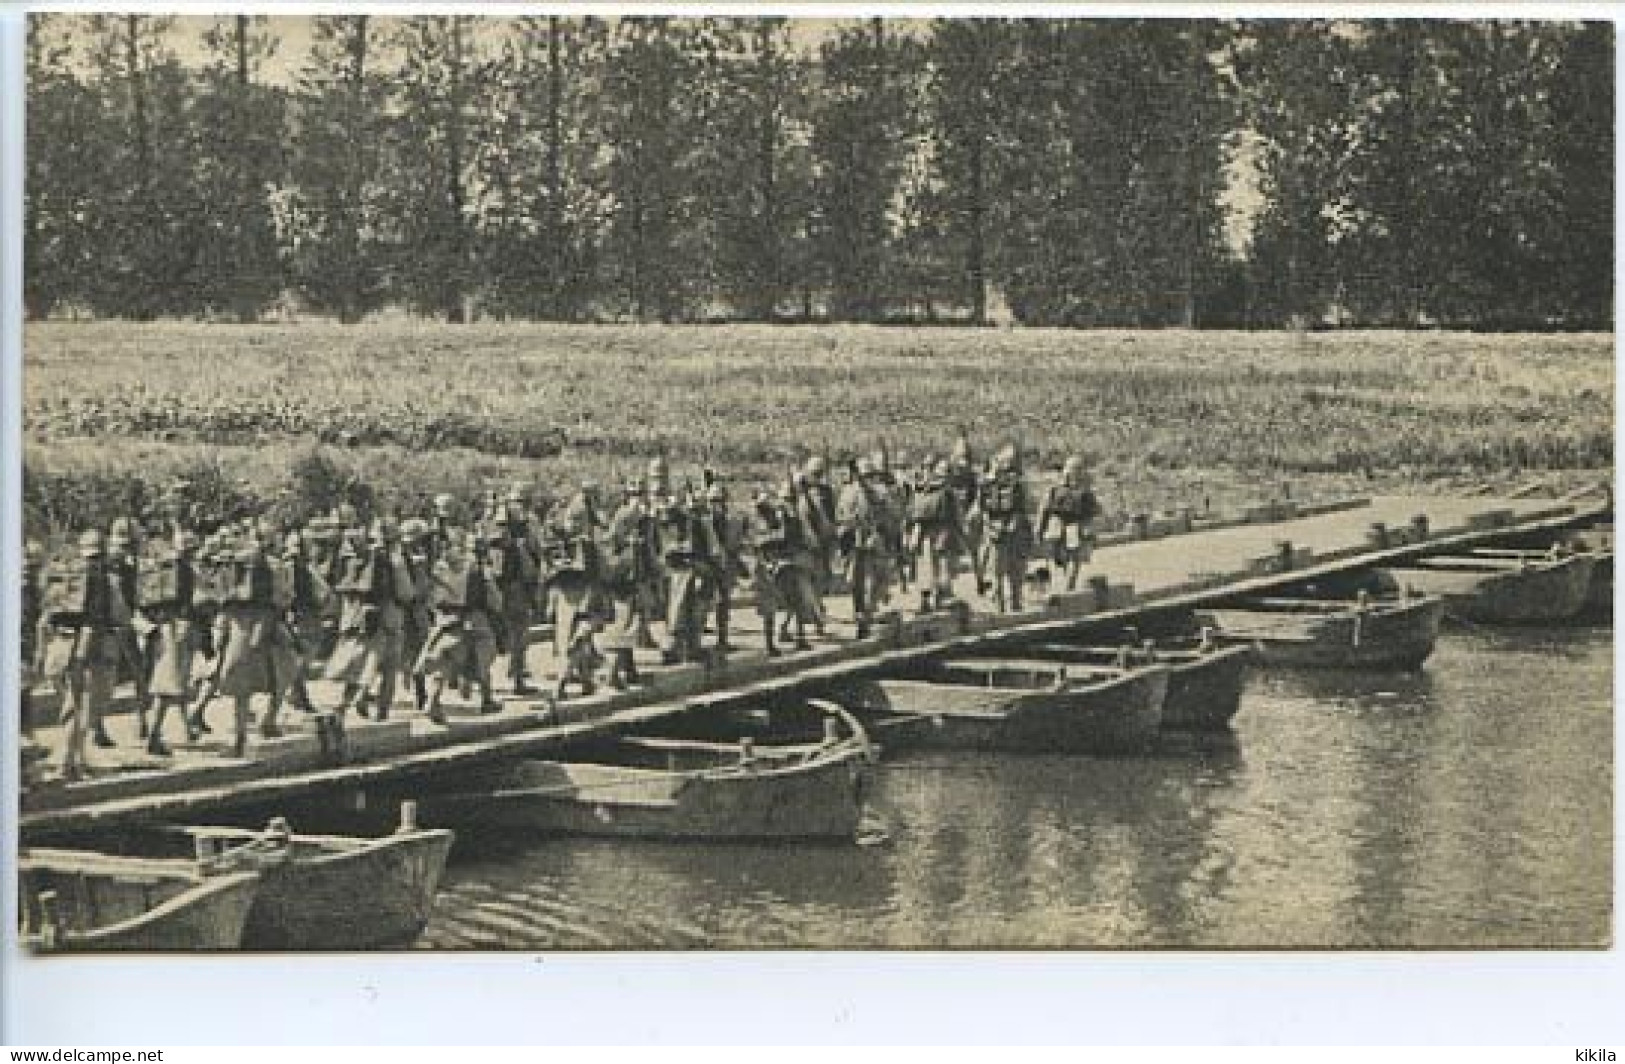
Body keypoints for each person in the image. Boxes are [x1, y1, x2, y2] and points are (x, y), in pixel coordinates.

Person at [199, 532, 297, 758]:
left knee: (239, 689)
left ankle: (239, 738)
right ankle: (268, 720)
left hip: (235, 629)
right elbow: (284, 598)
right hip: (265, 627)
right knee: (285, 671)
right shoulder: (275, 566)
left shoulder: (229, 566)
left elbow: (218, 601)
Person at [39, 530, 125, 779]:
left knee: (71, 706)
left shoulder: (66, 578)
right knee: (83, 706)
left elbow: (46, 617)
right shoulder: (107, 581)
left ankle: (71, 761)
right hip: (90, 646)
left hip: (61, 644)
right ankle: (71, 763)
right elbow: (116, 616)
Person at [415, 526, 503, 722]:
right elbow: (495, 601)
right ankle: (487, 700)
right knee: (483, 657)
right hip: (475, 619)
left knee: (444, 662)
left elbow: (431, 595)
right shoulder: (481, 570)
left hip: (446, 619)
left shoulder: (443, 567)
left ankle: (433, 702)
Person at [325, 520, 405, 721]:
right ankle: (380, 711)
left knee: (356, 662)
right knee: (387, 667)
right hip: (386, 618)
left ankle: (343, 705)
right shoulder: (393, 560)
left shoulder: (349, 560)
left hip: (354, 618)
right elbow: (406, 592)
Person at [139, 528, 202, 756]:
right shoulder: (184, 571)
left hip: (159, 627)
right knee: (168, 686)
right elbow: (197, 601)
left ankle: (187, 728)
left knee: (174, 681)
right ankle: (154, 736)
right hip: (180, 628)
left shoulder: (160, 568)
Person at [544, 486, 603, 700]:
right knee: (577, 641)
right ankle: (560, 684)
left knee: (577, 640)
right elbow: (596, 573)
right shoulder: (585, 546)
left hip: (565, 599)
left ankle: (587, 680)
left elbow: (550, 575)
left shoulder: (557, 545)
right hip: (582, 598)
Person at [599, 478, 652, 690]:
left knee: (631, 622)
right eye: (634, 494)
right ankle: (612, 674)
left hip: (632, 578)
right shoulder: (624, 516)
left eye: (640, 494)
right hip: (622, 579)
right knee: (624, 625)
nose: (638, 499)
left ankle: (629, 670)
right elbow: (611, 543)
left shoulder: (640, 518)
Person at [837, 456, 893, 639]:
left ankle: (864, 617)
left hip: (868, 543)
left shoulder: (876, 493)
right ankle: (863, 618)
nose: (867, 479)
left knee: (870, 582)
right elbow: (842, 519)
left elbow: (887, 516)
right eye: (865, 475)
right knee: (861, 584)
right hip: (859, 544)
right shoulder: (851, 494)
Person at [494, 488, 542, 695]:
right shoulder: (523, 526)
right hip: (517, 587)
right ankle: (517, 680)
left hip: (499, 587)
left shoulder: (495, 523)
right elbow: (534, 553)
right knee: (519, 634)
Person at [105, 518, 148, 746]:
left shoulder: (109, 555)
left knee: (108, 678)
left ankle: (98, 727)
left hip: (110, 624)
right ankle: (141, 720)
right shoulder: (122, 558)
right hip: (123, 624)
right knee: (139, 673)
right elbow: (122, 593)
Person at [656, 481, 709, 664]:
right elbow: (669, 548)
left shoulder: (693, 523)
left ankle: (688, 648)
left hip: (688, 570)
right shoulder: (670, 524)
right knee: (677, 613)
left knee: (691, 612)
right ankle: (673, 649)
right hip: (678, 571)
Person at [981, 444, 1035, 613]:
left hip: (1015, 529)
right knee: (998, 569)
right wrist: (988, 526)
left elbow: (1025, 506)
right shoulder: (986, 483)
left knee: (1015, 569)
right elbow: (982, 508)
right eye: (1003, 460)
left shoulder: (1018, 483)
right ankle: (1001, 605)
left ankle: (1015, 603)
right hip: (996, 530)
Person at [1036, 456, 1101, 592]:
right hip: (1059, 524)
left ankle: (1069, 585)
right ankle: (1065, 583)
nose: (1075, 473)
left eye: (1078, 469)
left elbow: (1093, 512)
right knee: (1062, 558)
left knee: (1073, 557)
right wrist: (1040, 530)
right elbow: (1045, 509)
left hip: (1074, 526)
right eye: (1073, 469)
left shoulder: (1085, 492)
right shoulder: (1056, 489)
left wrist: (1091, 532)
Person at [909, 458, 966, 612]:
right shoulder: (946, 492)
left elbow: (914, 514)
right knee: (942, 566)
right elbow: (957, 516)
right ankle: (939, 598)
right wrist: (961, 535)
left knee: (927, 566)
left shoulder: (920, 489)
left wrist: (914, 533)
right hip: (943, 531)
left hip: (925, 532)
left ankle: (928, 599)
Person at [398, 519, 434, 712]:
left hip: (405, 610)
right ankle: (420, 692)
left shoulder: (398, 557)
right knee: (418, 651)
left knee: (410, 653)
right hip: (414, 609)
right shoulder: (417, 560)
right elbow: (422, 587)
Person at [946, 435, 988, 596]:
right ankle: (947, 588)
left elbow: (979, 494)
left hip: (969, 515)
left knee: (975, 551)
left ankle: (980, 581)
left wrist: (974, 510)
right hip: (952, 517)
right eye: (959, 453)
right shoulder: (948, 472)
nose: (962, 457)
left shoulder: (973, 474)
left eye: (965, 453)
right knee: (948, 554)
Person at [798, 457, 839, 598]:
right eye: (815, 473)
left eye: (819, 474)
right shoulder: (801, 491)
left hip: (824, 534)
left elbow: (833, 511)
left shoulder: (826, 491)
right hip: (807, 534)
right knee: (811, 569)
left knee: (823, 569)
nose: (817, 477)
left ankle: (818, 599)